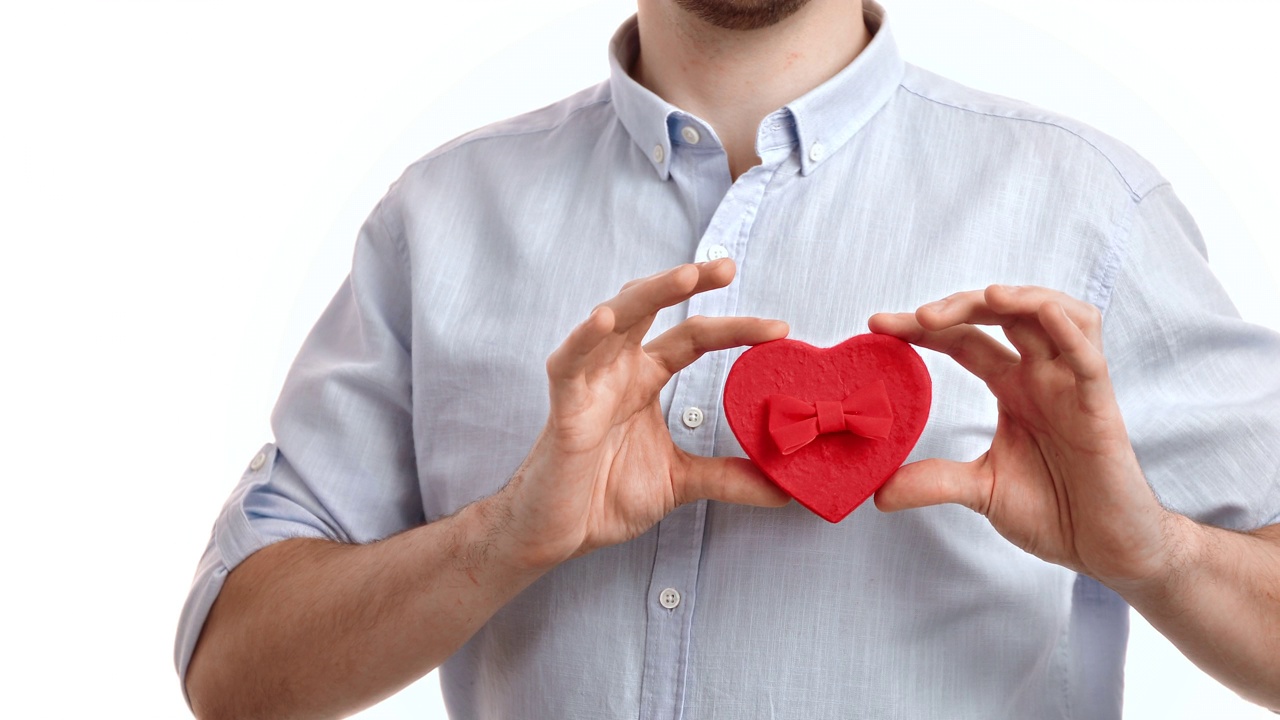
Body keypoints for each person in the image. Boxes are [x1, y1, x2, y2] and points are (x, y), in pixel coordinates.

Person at [176, 0, 1280, 717]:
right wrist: (499, 542)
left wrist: (1163, 560)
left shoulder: (1087, 210)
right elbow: (234, 672)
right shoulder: (442, 216)